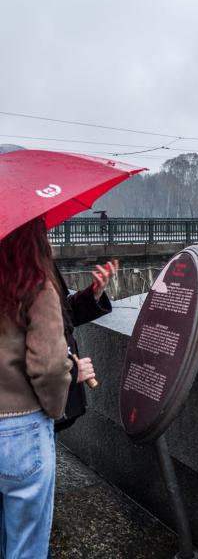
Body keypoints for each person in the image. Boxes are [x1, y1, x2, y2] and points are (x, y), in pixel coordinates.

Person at [0, 217, 72, 558]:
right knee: (25, 546)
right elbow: (51, 365)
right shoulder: (34, 283)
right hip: (21, 428)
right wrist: (55, 409)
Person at [53, 260, 117, 432]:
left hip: (52, 408)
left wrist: (94, 294)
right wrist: (70, 373)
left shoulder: (39, 261)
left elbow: (63, 315)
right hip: (27, 416)